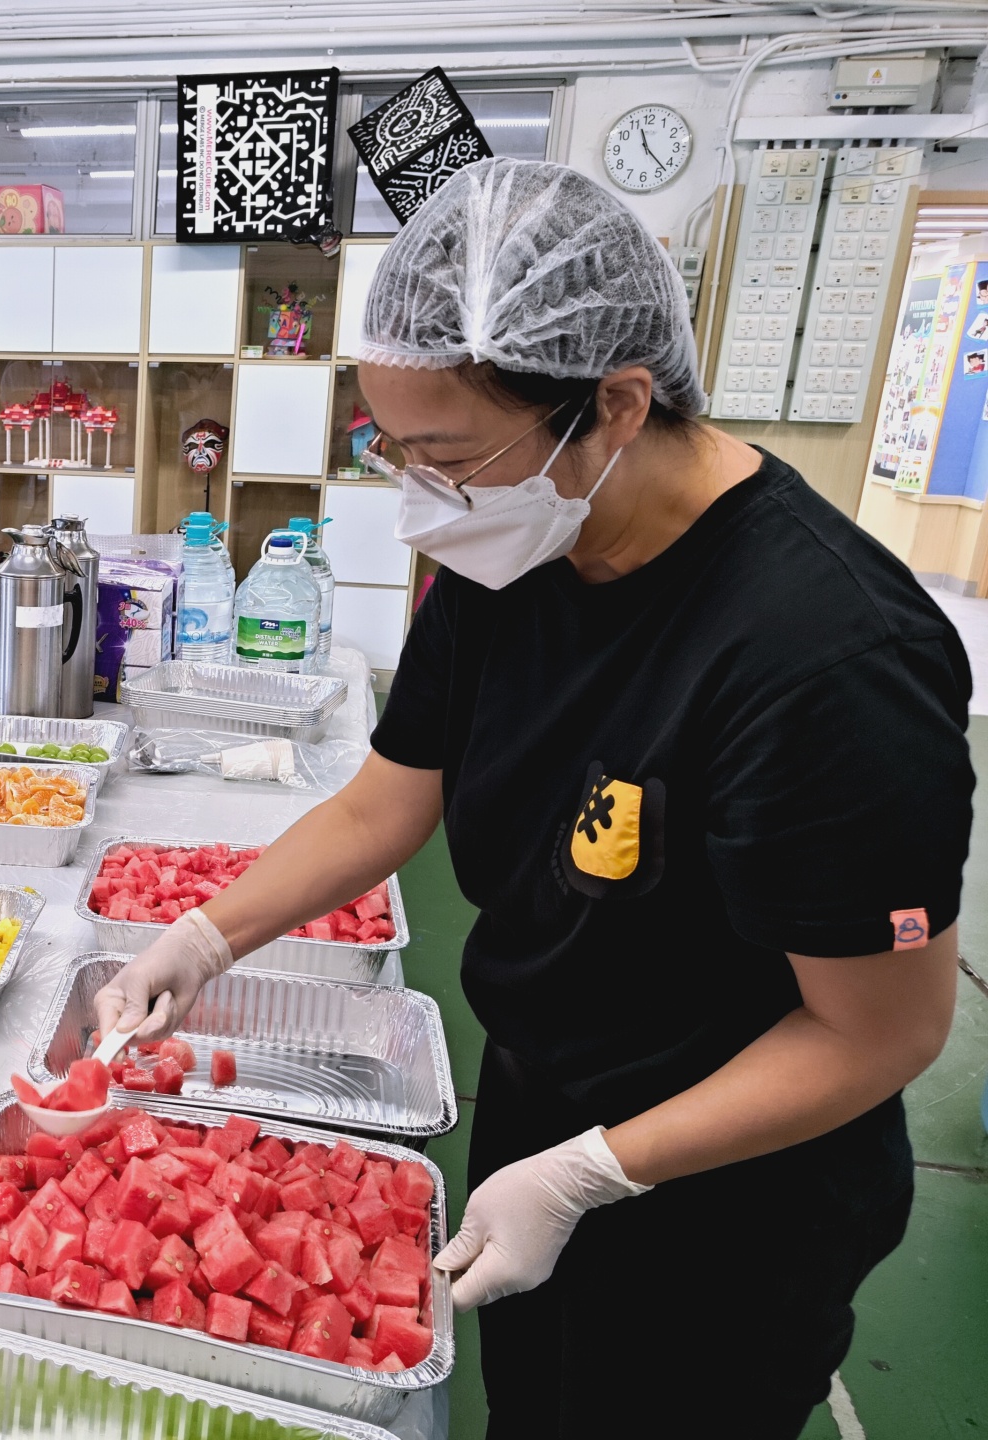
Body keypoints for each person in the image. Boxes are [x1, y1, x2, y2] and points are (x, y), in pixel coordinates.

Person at [94, 159, 967, 1439]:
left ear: (616, 404)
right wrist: (204, 937)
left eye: (448, 457)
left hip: (725, 1197)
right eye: (398, 453)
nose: (424, 500)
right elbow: (382, 807)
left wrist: (594, 1173)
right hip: (541, 1110)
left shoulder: (827, 658)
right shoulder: (517, 551)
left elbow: (878, 1034)